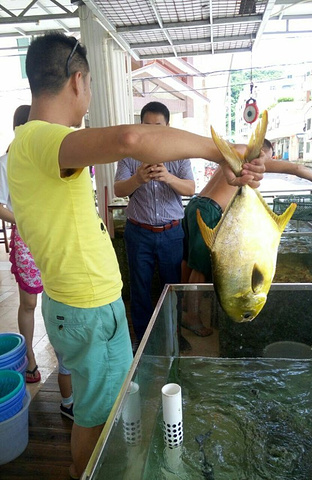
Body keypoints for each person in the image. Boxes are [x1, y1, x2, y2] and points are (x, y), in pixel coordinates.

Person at [7, 33, 266, 479]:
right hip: (88, 307)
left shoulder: (26, 147)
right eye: (87, 89)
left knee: (100, 402)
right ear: (78, 81)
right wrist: (225, 152)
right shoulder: (41, 140)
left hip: (81, 304)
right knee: (96, 414)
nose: (87, 101)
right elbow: (131, 137)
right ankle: (86, 472)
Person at [0, 105, 74, 417]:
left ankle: (67, 364)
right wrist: (24, 220)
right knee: (29, 303)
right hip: (28, 240)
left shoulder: (50, 156)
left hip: (55, 237)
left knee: (60, 299)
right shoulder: (7, 161)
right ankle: (30, 359)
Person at [182, 140, 312, 285]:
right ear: (262, 152)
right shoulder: (251, 160)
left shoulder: (232, 157)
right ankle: (193, 307)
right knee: (200, 267)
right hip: (210, 210)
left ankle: (180, 298)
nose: (267, 162)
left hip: (194, 205)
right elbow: (295, 168)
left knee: (189, 260)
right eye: (268, 157)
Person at [113, 101, 198, 345]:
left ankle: (173, 337)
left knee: (171, 289)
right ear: (141, 126)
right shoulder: (129, 156)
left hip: (172, 233)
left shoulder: (180, 154)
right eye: (147, 126)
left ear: (168, 127)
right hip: (138, 232)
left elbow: (191, 189)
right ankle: (143, 342)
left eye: (158, 126)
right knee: (139, 291)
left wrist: (169, 177)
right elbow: (119, 188)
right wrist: (138, 178)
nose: (151, 131)